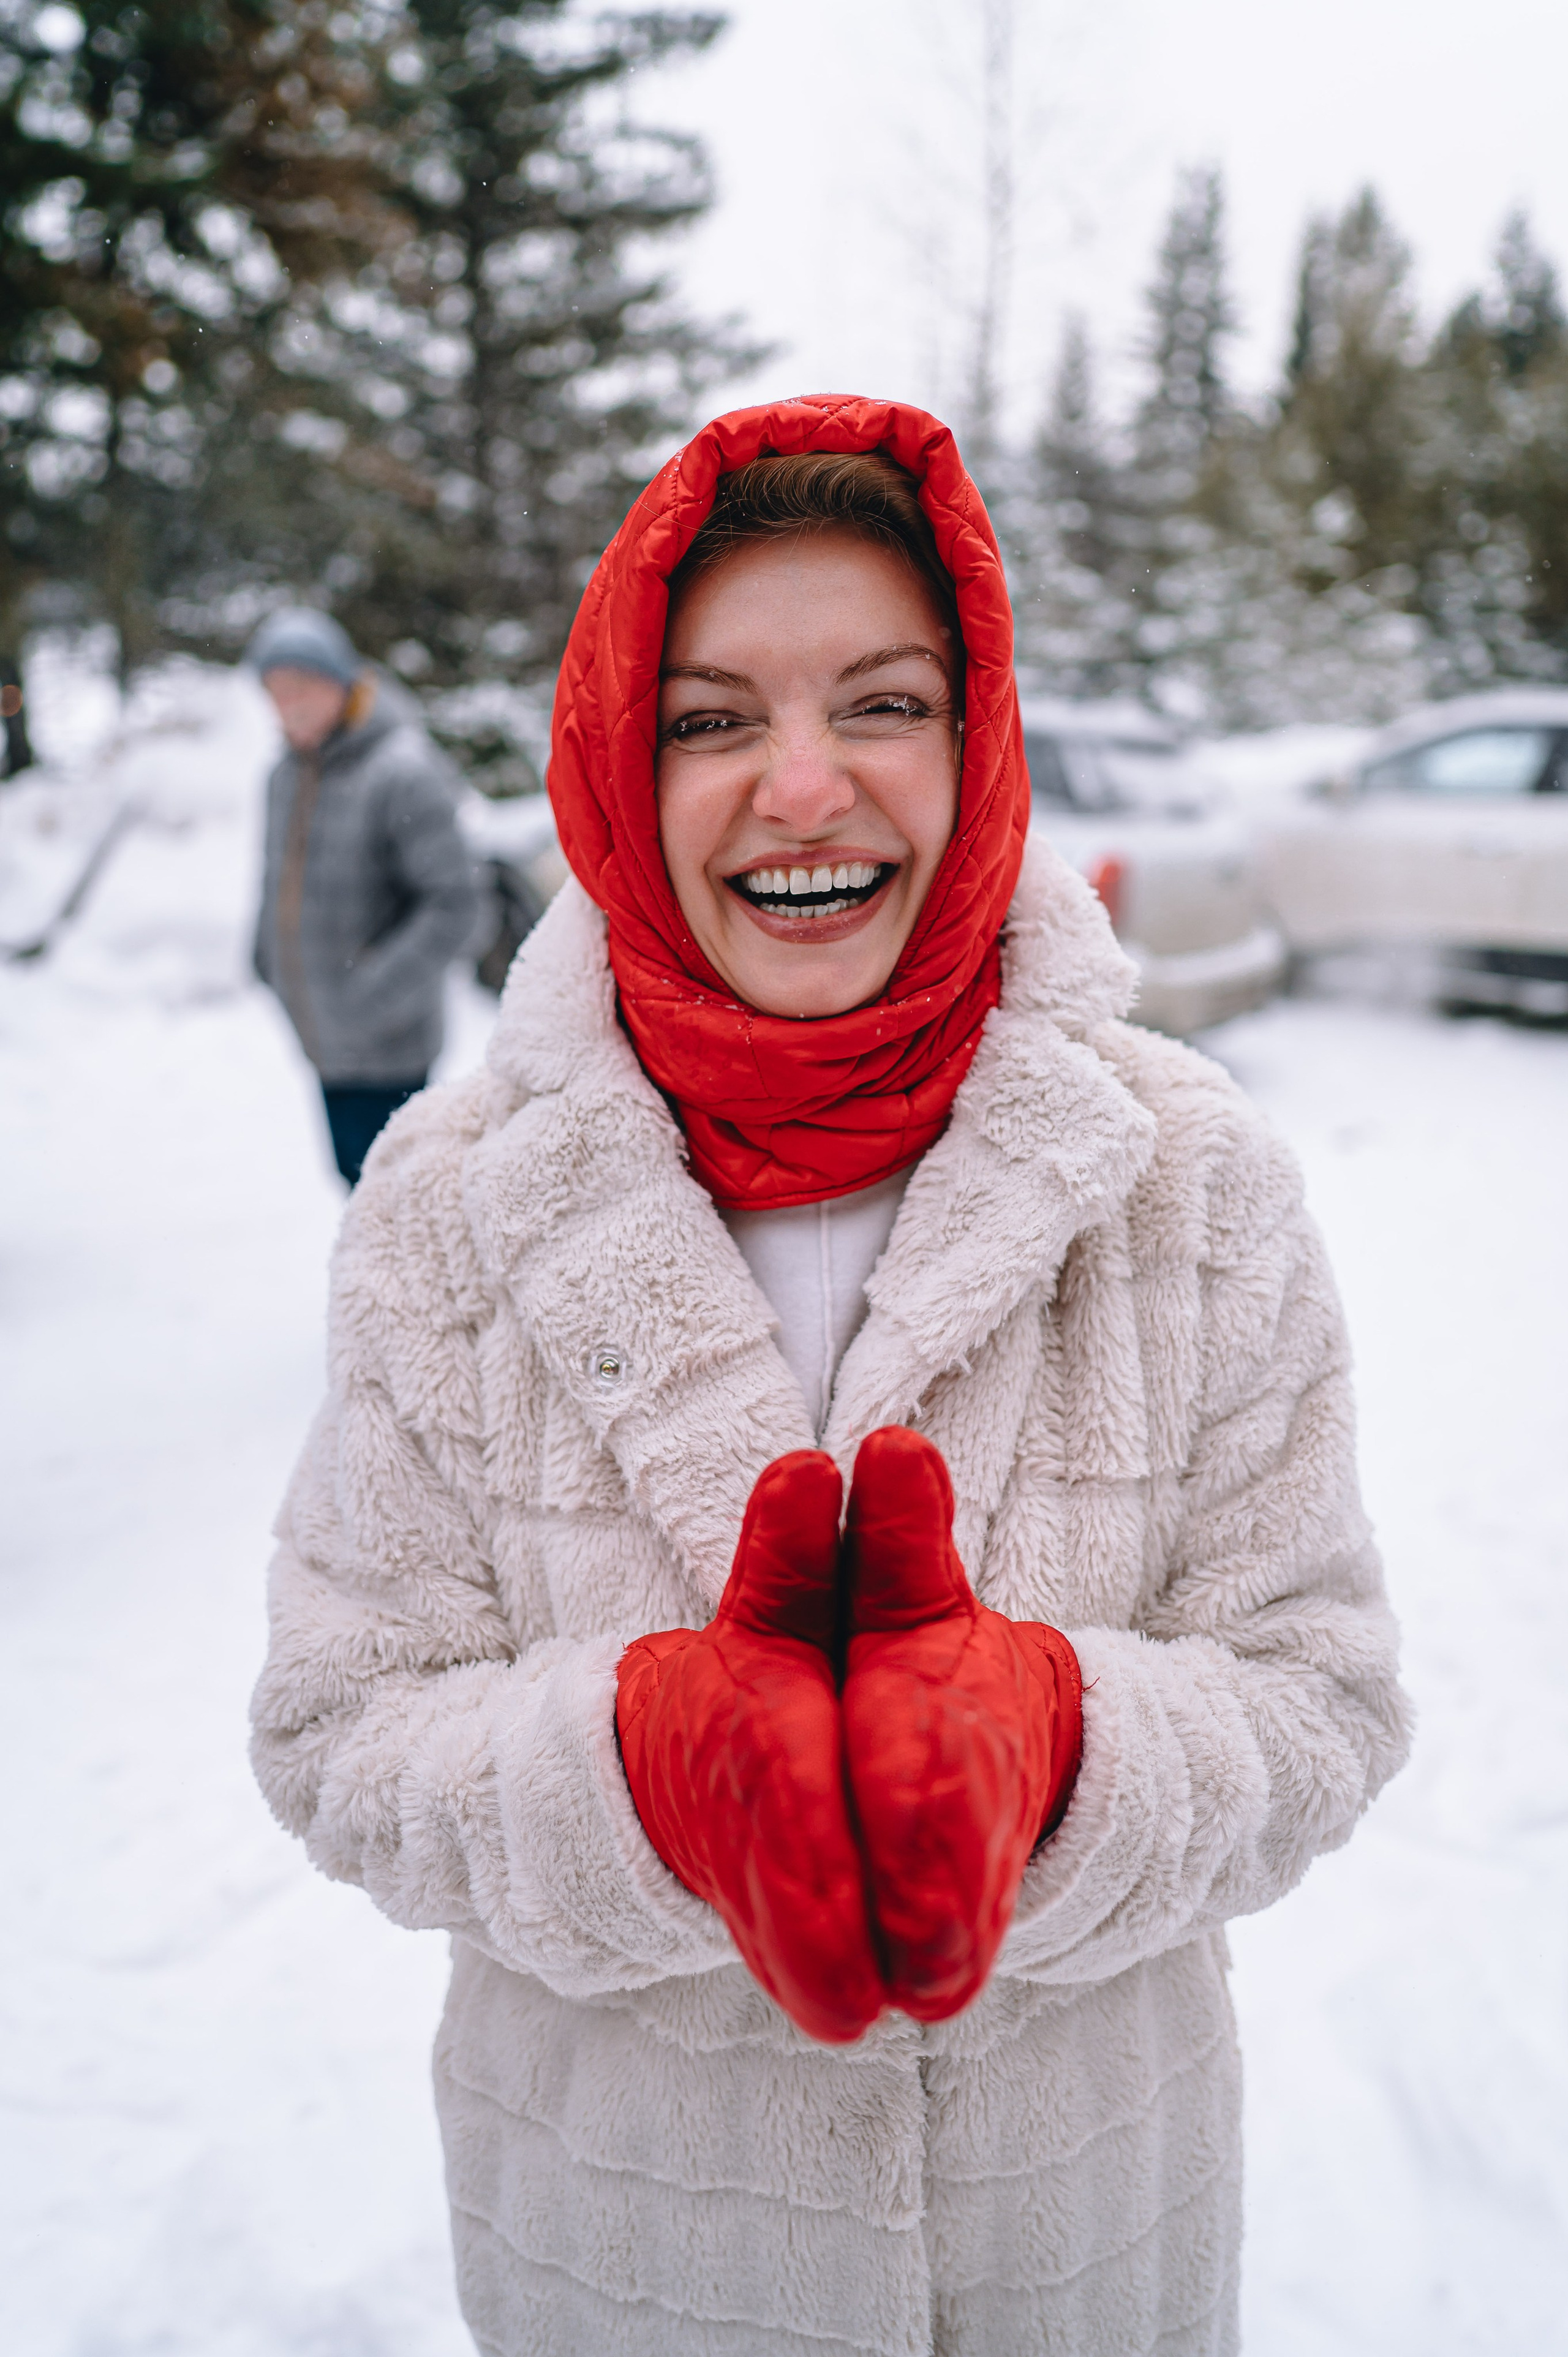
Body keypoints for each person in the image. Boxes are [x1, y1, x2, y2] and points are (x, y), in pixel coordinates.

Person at [251, 397, 1411, 2355]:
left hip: (1084, 2251)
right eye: (708, 719)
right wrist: (636, 1775)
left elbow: (1320, 1695)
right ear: (620, 768)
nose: (802, 786)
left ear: (977, 748)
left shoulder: (1186, 1176)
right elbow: (340, 1729)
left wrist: (1058, 1749)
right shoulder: (449, 1207)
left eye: (880, 702)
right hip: (622, 2262)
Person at [247, 606, 478, 1185]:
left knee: (402, 1204)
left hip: (389, 1047)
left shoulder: (403, 773)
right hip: (322, 1037)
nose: (286, 705)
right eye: (274, 692)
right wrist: (264, 959)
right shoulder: (286, 776)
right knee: (355, 1186)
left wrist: (371, 994)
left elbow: (459, 904)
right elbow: (276, 878)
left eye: (300, 687)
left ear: (341, 683)